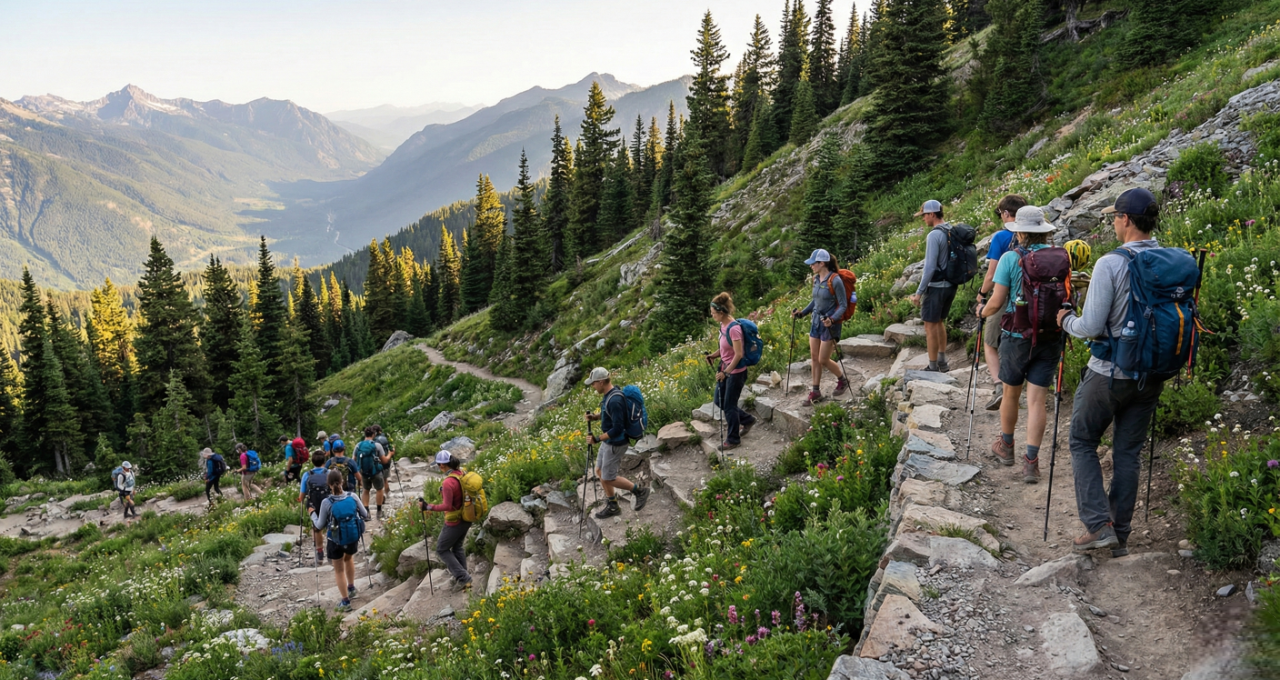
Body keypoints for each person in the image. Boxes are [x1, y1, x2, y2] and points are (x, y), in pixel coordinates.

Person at [1056, 187, 1168, 556]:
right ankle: (1119, 533)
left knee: (1083, 441)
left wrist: (1066, 319)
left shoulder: (1111, 262)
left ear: (1125, 219)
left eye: (1115, 217)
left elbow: (1090, 326)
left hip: (1108, 371)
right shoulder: (1169, 259)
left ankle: (1098, 525)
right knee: (1127, 453)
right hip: (1152, 374)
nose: (1114, 224)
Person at [979, 206, 1061, 483]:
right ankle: (1032, 463)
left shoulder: (1009, 259)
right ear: (1045, 232)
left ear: (1021, 232)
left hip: (1017, 337)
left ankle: (1007, 446)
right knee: (1038, 400)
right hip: (1050, 335)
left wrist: (982, 312)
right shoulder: (1060, 258)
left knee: (1011, 393)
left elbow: (997, 301)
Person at [975, 194, 1028, 411]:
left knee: (990, 342)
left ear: (1006, 213)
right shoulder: (1033, 236)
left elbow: (991, 274)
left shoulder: (1001, 237)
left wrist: (981, 294)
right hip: (1030, 295)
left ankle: (999, 386)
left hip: (1004, 294)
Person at [583, 367, 651, 519]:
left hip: (615, 443)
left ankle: (639, 491)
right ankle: (613, 505)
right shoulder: (611, 395)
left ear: (601, 382)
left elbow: (617, 428)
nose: (593, 387)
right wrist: (595, 417)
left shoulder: (614, 400)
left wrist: (597, 439)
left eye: (593, 384)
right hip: (609, 442)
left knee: (608, 477)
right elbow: (610, 414)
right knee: (600, 471)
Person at [791, 248, 849, 406]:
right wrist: (802, 313)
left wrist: (832, 319)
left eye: (813, 263)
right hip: (816, 322)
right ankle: (815, 391)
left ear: (822, 263)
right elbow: (815, 301)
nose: (811, 266)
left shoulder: (835, 280)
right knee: (814, 357)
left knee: (823, 359)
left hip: (830, 325)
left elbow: (843, 305)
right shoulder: (816, 279)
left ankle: (842, 380)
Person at [910, 200, 958, 372]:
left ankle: (932, 366)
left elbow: (930, 267)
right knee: (939, 322)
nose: (923, 218)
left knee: (930, 325)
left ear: (932, 214)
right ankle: (943, 361)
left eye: (924, 215)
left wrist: (918, 293)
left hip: (937, 286)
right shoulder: (952, 229)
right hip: (951, 285)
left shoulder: (934, 235)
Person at [311, 469, 368, 611]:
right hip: (352, 537)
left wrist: (312, 514)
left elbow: (319, 525)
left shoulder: (326, 502)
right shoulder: (352, 496)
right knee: (348, 559)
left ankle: (345, 602)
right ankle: (352, 588)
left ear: (329, 484)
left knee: (338, 570)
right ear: (342, 481)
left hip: (335, 541)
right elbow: (365, 514)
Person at [707, 292, 756, 450]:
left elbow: (739, 354)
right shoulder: (723, 325)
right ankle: (747, 420)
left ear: (721, 313)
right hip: (726, 369)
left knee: (729, 405)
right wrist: (714, 355)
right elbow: (725, 347)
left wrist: (726, 372)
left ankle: (733, 439)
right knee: (719, 400)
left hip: (735, 373)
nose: (712, 315)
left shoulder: (734, 328)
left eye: (713, 313)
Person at [418, 451, 473, 591]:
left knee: (441, 549)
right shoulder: (462, 474)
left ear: (442, 465)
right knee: (457, 547)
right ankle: (463, 577)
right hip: (467, 516)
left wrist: (427, 506)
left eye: (438, 464)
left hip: (455, 520)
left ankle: (464, 578)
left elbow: (447, 506)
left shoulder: (448, 482)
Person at [354, 426, 392, 521]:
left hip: (364, 473)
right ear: (373, 434)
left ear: (365, 435)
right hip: (376, 472)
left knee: (366, 490)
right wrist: (390, 454)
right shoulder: (377, 445)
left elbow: (353, 460)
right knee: (379, 489)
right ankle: (379, 512)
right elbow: (384, 461)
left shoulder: (358, 445)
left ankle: (366, 512)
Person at [299, 450, 330, 564]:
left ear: (312, 461)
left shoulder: (307, 474)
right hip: (328, 503)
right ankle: (331, 552)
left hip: (313, 505)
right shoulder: (329, 472)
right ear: (324, 461)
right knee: (331, 526)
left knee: (317, 528)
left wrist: (300, 500)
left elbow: (302, 495)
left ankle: (320, 554)